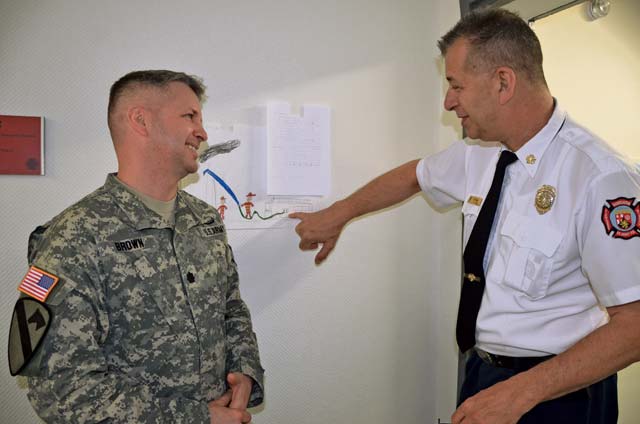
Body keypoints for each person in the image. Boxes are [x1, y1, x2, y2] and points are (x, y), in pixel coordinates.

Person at [290, 9, 640, 424]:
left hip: (560, 395)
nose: (448, 101)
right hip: (484, 372)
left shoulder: (601, 178)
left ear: (503, 82)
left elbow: (633, 326)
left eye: (456, 85)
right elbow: (414, 175)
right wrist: (339, 214)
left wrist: (520, 394)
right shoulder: (482, 153)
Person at [11, 70, 264, 423]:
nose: (203, 133)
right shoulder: (73, 236)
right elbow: (60, 390)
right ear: (141, 121)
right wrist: (194, 419)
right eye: (189, 116)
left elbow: (231, 308)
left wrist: (244, 371)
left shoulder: (205, 221)